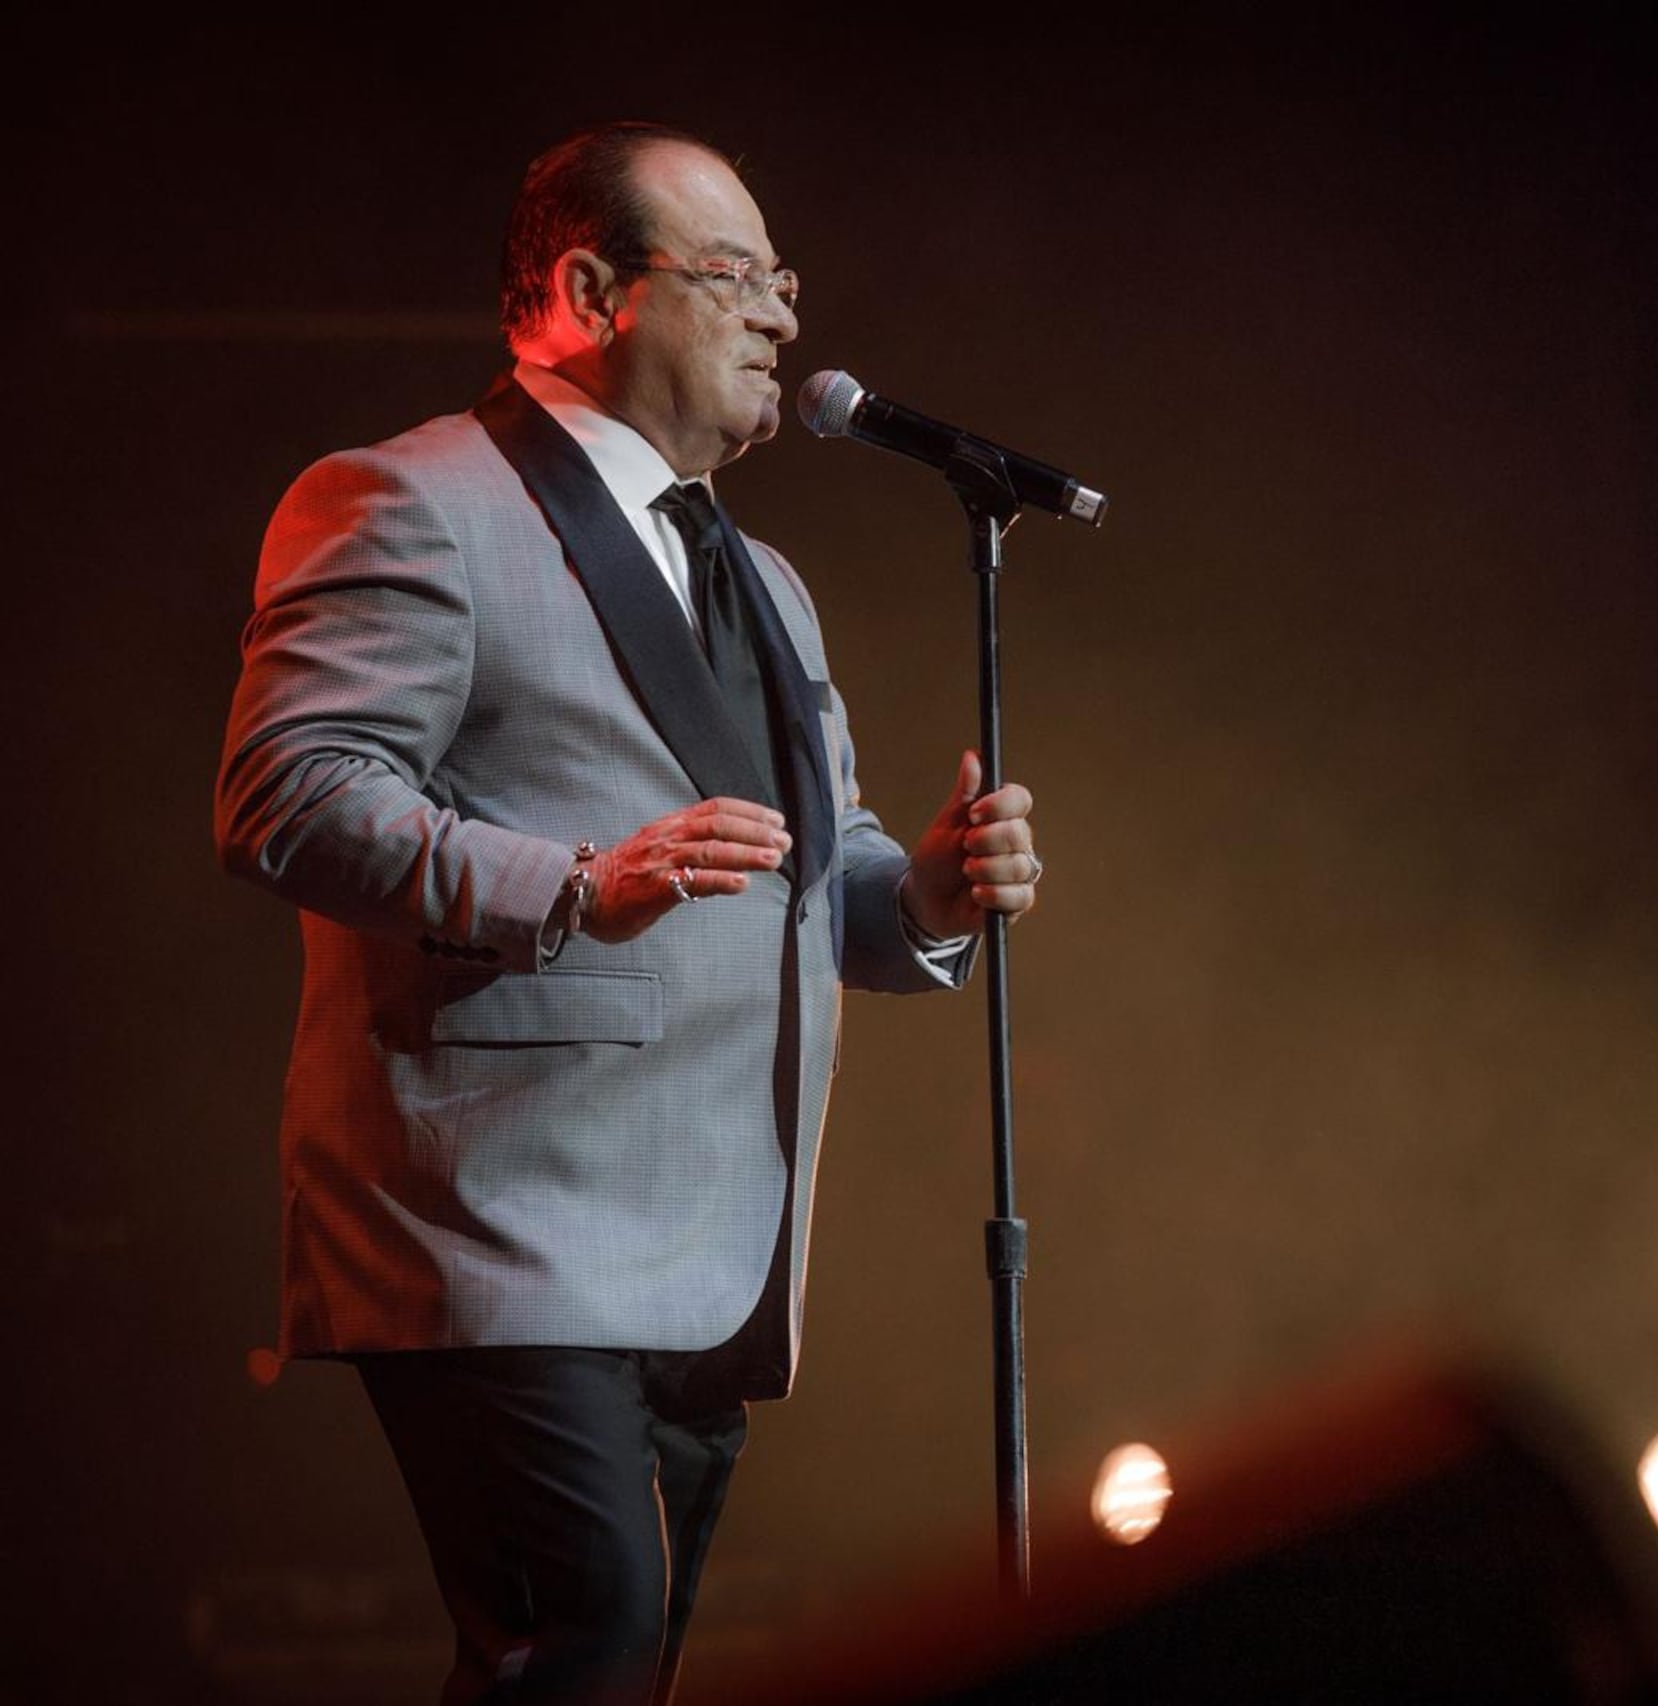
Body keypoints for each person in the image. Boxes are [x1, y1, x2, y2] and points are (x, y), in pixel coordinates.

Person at [214, 121, 1040, 1704]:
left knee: (608, 1668)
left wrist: (922, 889)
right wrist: (576, 883)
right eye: (736, 275)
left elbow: (805, 867)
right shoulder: (408, 500)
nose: (781, 315)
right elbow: (288, 796)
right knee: (581, 1646)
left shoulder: (764, 577)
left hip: (709, 1238)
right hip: (498, 1214)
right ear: (590, 292)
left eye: (784, 281)